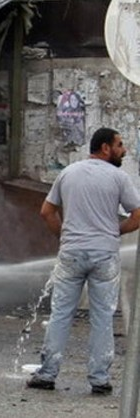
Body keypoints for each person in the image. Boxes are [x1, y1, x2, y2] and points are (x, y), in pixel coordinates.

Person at [27, 127, 140, 394]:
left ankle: (47, 374)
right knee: (102, 318)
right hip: (104, 256)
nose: (123, 150)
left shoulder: (68, 173)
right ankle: (99, 379)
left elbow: (47, 212)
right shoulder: (118, 178)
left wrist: (63, 236)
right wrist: (115, 231)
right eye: (120, 145)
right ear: (105, 148)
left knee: (61, 314)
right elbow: (137, 215)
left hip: (72, 253)